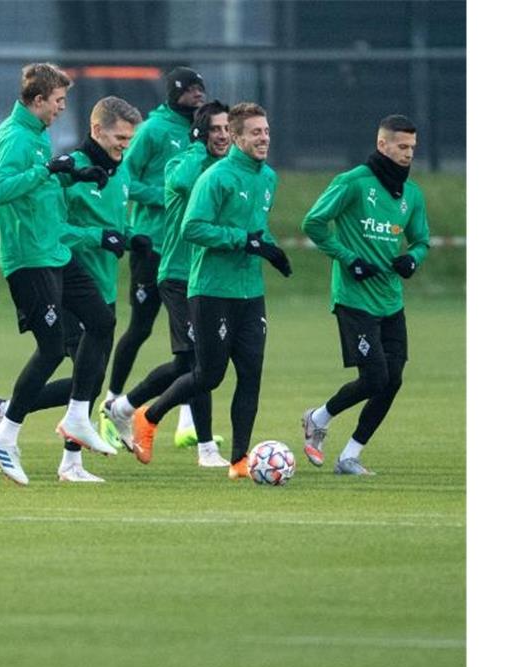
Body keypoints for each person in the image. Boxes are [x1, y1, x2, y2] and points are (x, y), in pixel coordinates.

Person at [114, 102, 292, 479]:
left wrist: (271, 247)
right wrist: (242, 241)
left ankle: (240, 460)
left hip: (250, 291)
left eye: (267, 132)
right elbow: (192, 227)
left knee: (251, 373)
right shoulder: (216, 177)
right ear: (239, 138)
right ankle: (150, 414)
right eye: (255, 133)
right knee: (208, 373)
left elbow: (257, 228)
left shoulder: (269, 178)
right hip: (210, 288)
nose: (263, 138)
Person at [0, 96, 140, 482]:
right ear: (96, 130)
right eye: (120, 136)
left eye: (129, 138)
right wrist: (96, 237)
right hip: (54, 270)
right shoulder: (39, 149)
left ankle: (69, 458)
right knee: (65, 358)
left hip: (96, 280)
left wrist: (130, 238)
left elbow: (113, 222)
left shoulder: (116, 172)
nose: (125, 144)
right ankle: (13, 422)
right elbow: (45, 218)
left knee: (90, 370)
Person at [300, 114, 430, 475]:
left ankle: (349, 456)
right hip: (355, 299)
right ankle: (318, 418)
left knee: (394, 379)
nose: (408, 154)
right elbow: (312, 222)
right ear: (382, 145)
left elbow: (421, 241)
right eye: (402, 147)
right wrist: (348, 258)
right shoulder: (353, 183)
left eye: (413, 148)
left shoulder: (412, 195)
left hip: (391, 301)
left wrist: (412, 259)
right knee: (374, 377)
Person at [104, 100, 231, 468]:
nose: (222, 136)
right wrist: (195, 148)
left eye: (227, 130)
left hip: (206, 275)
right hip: (176, 272)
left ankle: (125, 406)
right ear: (200, 133)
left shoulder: (227, 167)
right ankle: (205, 448)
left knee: (187, 364)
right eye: (215, 130)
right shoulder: (184, 162)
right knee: (197, 361)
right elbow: (180, 182)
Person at [101, 66, 208, 450]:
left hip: (187, 251)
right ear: (174, 92)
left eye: (202, 88)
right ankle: (111, 401)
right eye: (191, 89)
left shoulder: (201, 132)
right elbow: (125, 177)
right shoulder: (152, 130)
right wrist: (167, 196)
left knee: (192, 343)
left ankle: (188, 422)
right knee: (141, 328)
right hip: (153, 246)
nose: (198, 94)